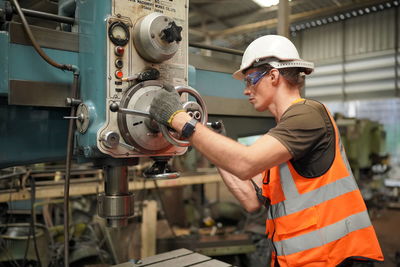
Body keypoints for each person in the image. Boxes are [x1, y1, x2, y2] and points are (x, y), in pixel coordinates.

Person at [149, 35, 384, 266]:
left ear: (274, 75)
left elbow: (245, 163)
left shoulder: (308, 113)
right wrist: (211, 143)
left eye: (250, 79)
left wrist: (181, 121)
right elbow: (251, 199)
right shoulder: (282, 137)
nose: (246, 90)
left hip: (336, 259)